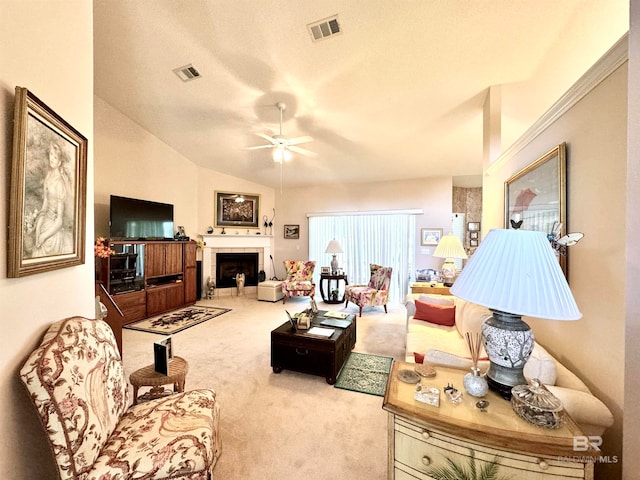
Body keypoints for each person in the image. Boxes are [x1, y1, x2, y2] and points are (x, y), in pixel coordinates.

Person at [31, 141, 73, 257]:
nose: (52, 159)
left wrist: (44, 236)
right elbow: (44, 206)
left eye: (55, 157)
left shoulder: (60, 183)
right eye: (51, 155)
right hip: (45, 221)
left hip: (53, 227)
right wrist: (38, 227)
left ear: (59, 162)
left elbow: (59, 220)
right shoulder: (48, 177)